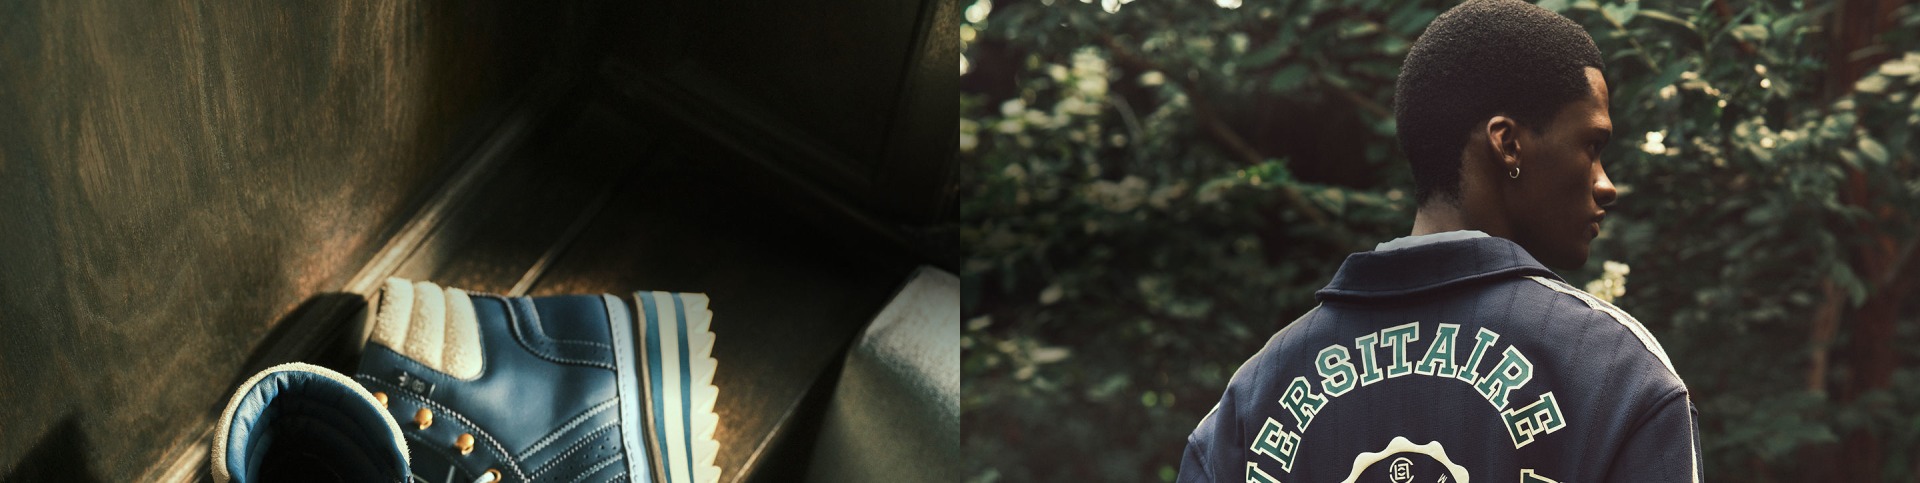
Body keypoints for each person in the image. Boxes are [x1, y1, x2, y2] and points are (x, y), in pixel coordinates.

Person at [1176, 1, 1702, 481]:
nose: (1606, 184)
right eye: (1591, 145)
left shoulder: (1249, 402)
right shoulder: (1615, 373)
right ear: (1508, 144)